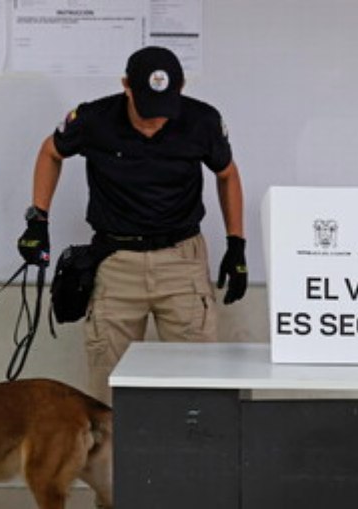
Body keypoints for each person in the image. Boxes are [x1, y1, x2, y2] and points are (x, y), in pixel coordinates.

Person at [18, 46, 247, 404]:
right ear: (126, 86)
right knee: (107, 392)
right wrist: (38, 219)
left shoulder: (202, 121)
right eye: (146, 111)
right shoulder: (94, 119)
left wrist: (237, 244)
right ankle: (113, 462)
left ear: (181, 88)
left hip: (181, 262)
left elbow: (227, 175)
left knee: (199, 386)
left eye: (163, 111)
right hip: (116, 263)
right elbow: (51, 152)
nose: (155, 122)